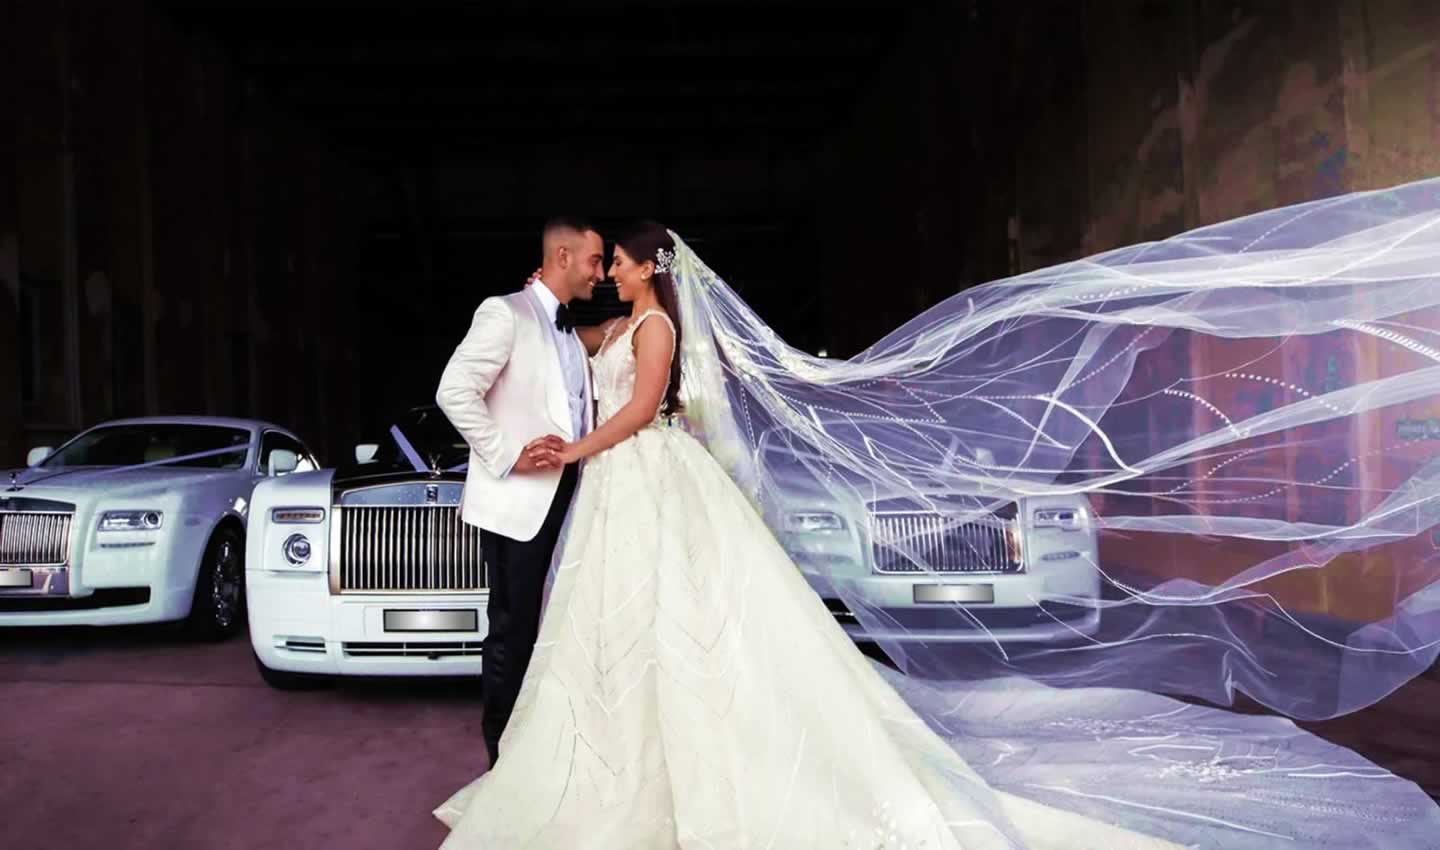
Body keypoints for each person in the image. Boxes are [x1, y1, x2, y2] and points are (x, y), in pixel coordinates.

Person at [434, 209, 1440, 848]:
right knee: (616, 634)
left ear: (653, 266)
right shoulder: (608, 324)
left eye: (614, 259)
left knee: (679, 630)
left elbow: (643, 408)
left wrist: (573, 449)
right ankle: (602, 758)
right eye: (596, 261)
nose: (603, 269)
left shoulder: (656, 328)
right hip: (623, 491)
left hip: (638, 479)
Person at [434, 215, 604, 765]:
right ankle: (503, 762)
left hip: (570, 500)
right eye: (594, 261)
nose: (599, 273)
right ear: (562, 258)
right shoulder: (504, 312)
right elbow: (454, 391)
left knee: (556, 626)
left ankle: (543, 752)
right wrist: (509, 454)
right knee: (513, 631)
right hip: (517, 503)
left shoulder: (570, 334)